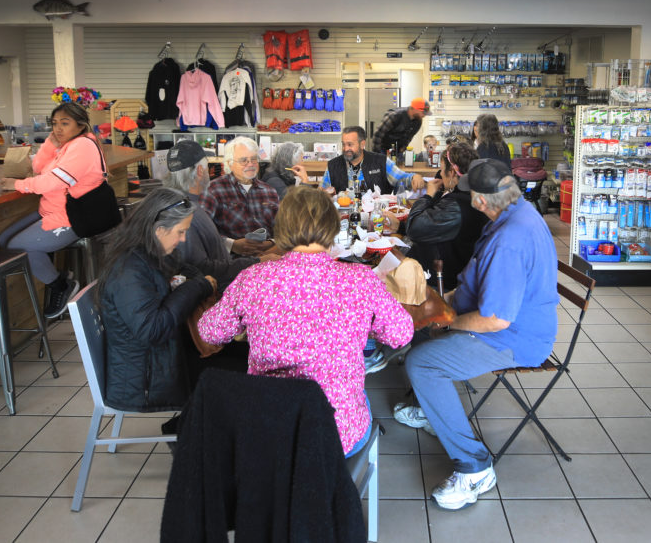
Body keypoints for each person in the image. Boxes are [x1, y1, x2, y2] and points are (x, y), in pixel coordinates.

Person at [198, 186, 414, 455]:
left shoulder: (253, 278)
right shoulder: (361, 279)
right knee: (356, 397)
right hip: (336, 432)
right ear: (333, 226)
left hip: (270, 429)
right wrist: (369, 308)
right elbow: (400, 334)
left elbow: (210, 332)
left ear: (283, 228)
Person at [393, 159, 558, 510]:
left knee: (422, 364)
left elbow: (495, 319)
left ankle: (475, 468)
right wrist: (441, 302)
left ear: (481, 201)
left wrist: (448, 320)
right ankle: (432, 407)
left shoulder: (510, 240)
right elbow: (481, 281)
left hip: (514, 340)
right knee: (421, 332)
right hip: (501, 322)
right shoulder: (514, 213)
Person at [96, 188, 220, 416]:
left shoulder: (150, 252)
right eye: (180, 232)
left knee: (237, 362)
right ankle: (190, 436)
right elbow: (153, 330)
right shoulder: (129, 271)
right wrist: (197, 286)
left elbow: (185, 269)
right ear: (158, 229)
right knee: (237, 376)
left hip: (158, 362)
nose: (183, 239)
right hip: (146, 381)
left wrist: (194, 281)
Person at [0, 102, 107, 318]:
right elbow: (38, 168)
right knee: (5, 241)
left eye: (65, 123)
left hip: (76, 215)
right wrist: (50, 143)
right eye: (55, 124)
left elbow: (54, 181)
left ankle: (60, 285)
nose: (58, 128)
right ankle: (57, 275)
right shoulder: (67, 145)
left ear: (80, 124)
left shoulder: (83, 146)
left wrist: (17, 185)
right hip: (53, 210)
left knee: (18, 246)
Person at [383, 139, 487, 285]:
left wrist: (428, 195)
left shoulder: (457, 205)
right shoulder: (460, 193)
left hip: (439, 277)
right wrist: (400, 226)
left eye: (442, 169)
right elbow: (434, 226)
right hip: (435, 263)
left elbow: (416, 228)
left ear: (451, 173)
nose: (440, 174)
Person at [162, 140, 260, 280]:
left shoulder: (179, 203)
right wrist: (255, 263)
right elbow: (200, 268)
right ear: (200, 171)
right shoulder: (185, 211)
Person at [199, 136, 278, 254]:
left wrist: (271, 243)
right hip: (232, 261)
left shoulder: (269, 191)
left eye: (254, 159)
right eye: (243, 160)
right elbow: (202, 230)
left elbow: (282, 229)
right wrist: (232, 245)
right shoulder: (213, 190)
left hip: (268, 259)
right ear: (229, 164)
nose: (250, 164)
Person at [322, 126, 425, 195]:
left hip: (378, 219)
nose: (345, 149)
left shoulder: (381, 161)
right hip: (344, 218)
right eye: (343, 144)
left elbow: (401, 178)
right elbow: (322, 192)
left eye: (350, 144)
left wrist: (414, 177)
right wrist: (325, 194)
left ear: (362, 144)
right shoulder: (333, 165)